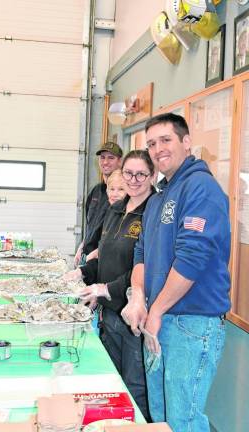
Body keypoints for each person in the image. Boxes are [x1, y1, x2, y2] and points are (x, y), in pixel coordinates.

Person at [121, 113, 231, 432]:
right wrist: (138, 298)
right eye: (152, 143)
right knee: (161, 416)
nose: (158, 149)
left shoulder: (200, 187)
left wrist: (156, 309)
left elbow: (193, 256)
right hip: (159, 319)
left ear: (186, 142)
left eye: (165, 140)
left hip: (191, 323)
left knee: (183, 420)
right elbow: (141, 252)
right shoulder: (158, 198)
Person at [65, 150, 156, 421]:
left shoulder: (152, 213)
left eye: (141, 174)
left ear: (152, 176)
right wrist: (83, 273)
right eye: (129, 173)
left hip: (134, 318)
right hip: (109, 314)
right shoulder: (115, 211)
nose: (134, 179)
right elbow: (104, 257)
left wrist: (106, 289)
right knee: (111, 384)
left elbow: (145, 268)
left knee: (135, 387)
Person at [74, 141, 123, 267]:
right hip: (86, 256)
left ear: (120, 161)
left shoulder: (124, 195)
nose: (105, 162)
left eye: (111, 158)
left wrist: (95, 255)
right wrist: (81, 247)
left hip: (104, 260)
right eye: (102, 157)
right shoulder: (96, 191)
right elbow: (90, 225)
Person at [86, 168, 126, 262]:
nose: (115, 194)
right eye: (111, 189)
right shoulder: (110, 212)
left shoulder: (128, 216)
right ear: (107, 191)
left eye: (121, 189)